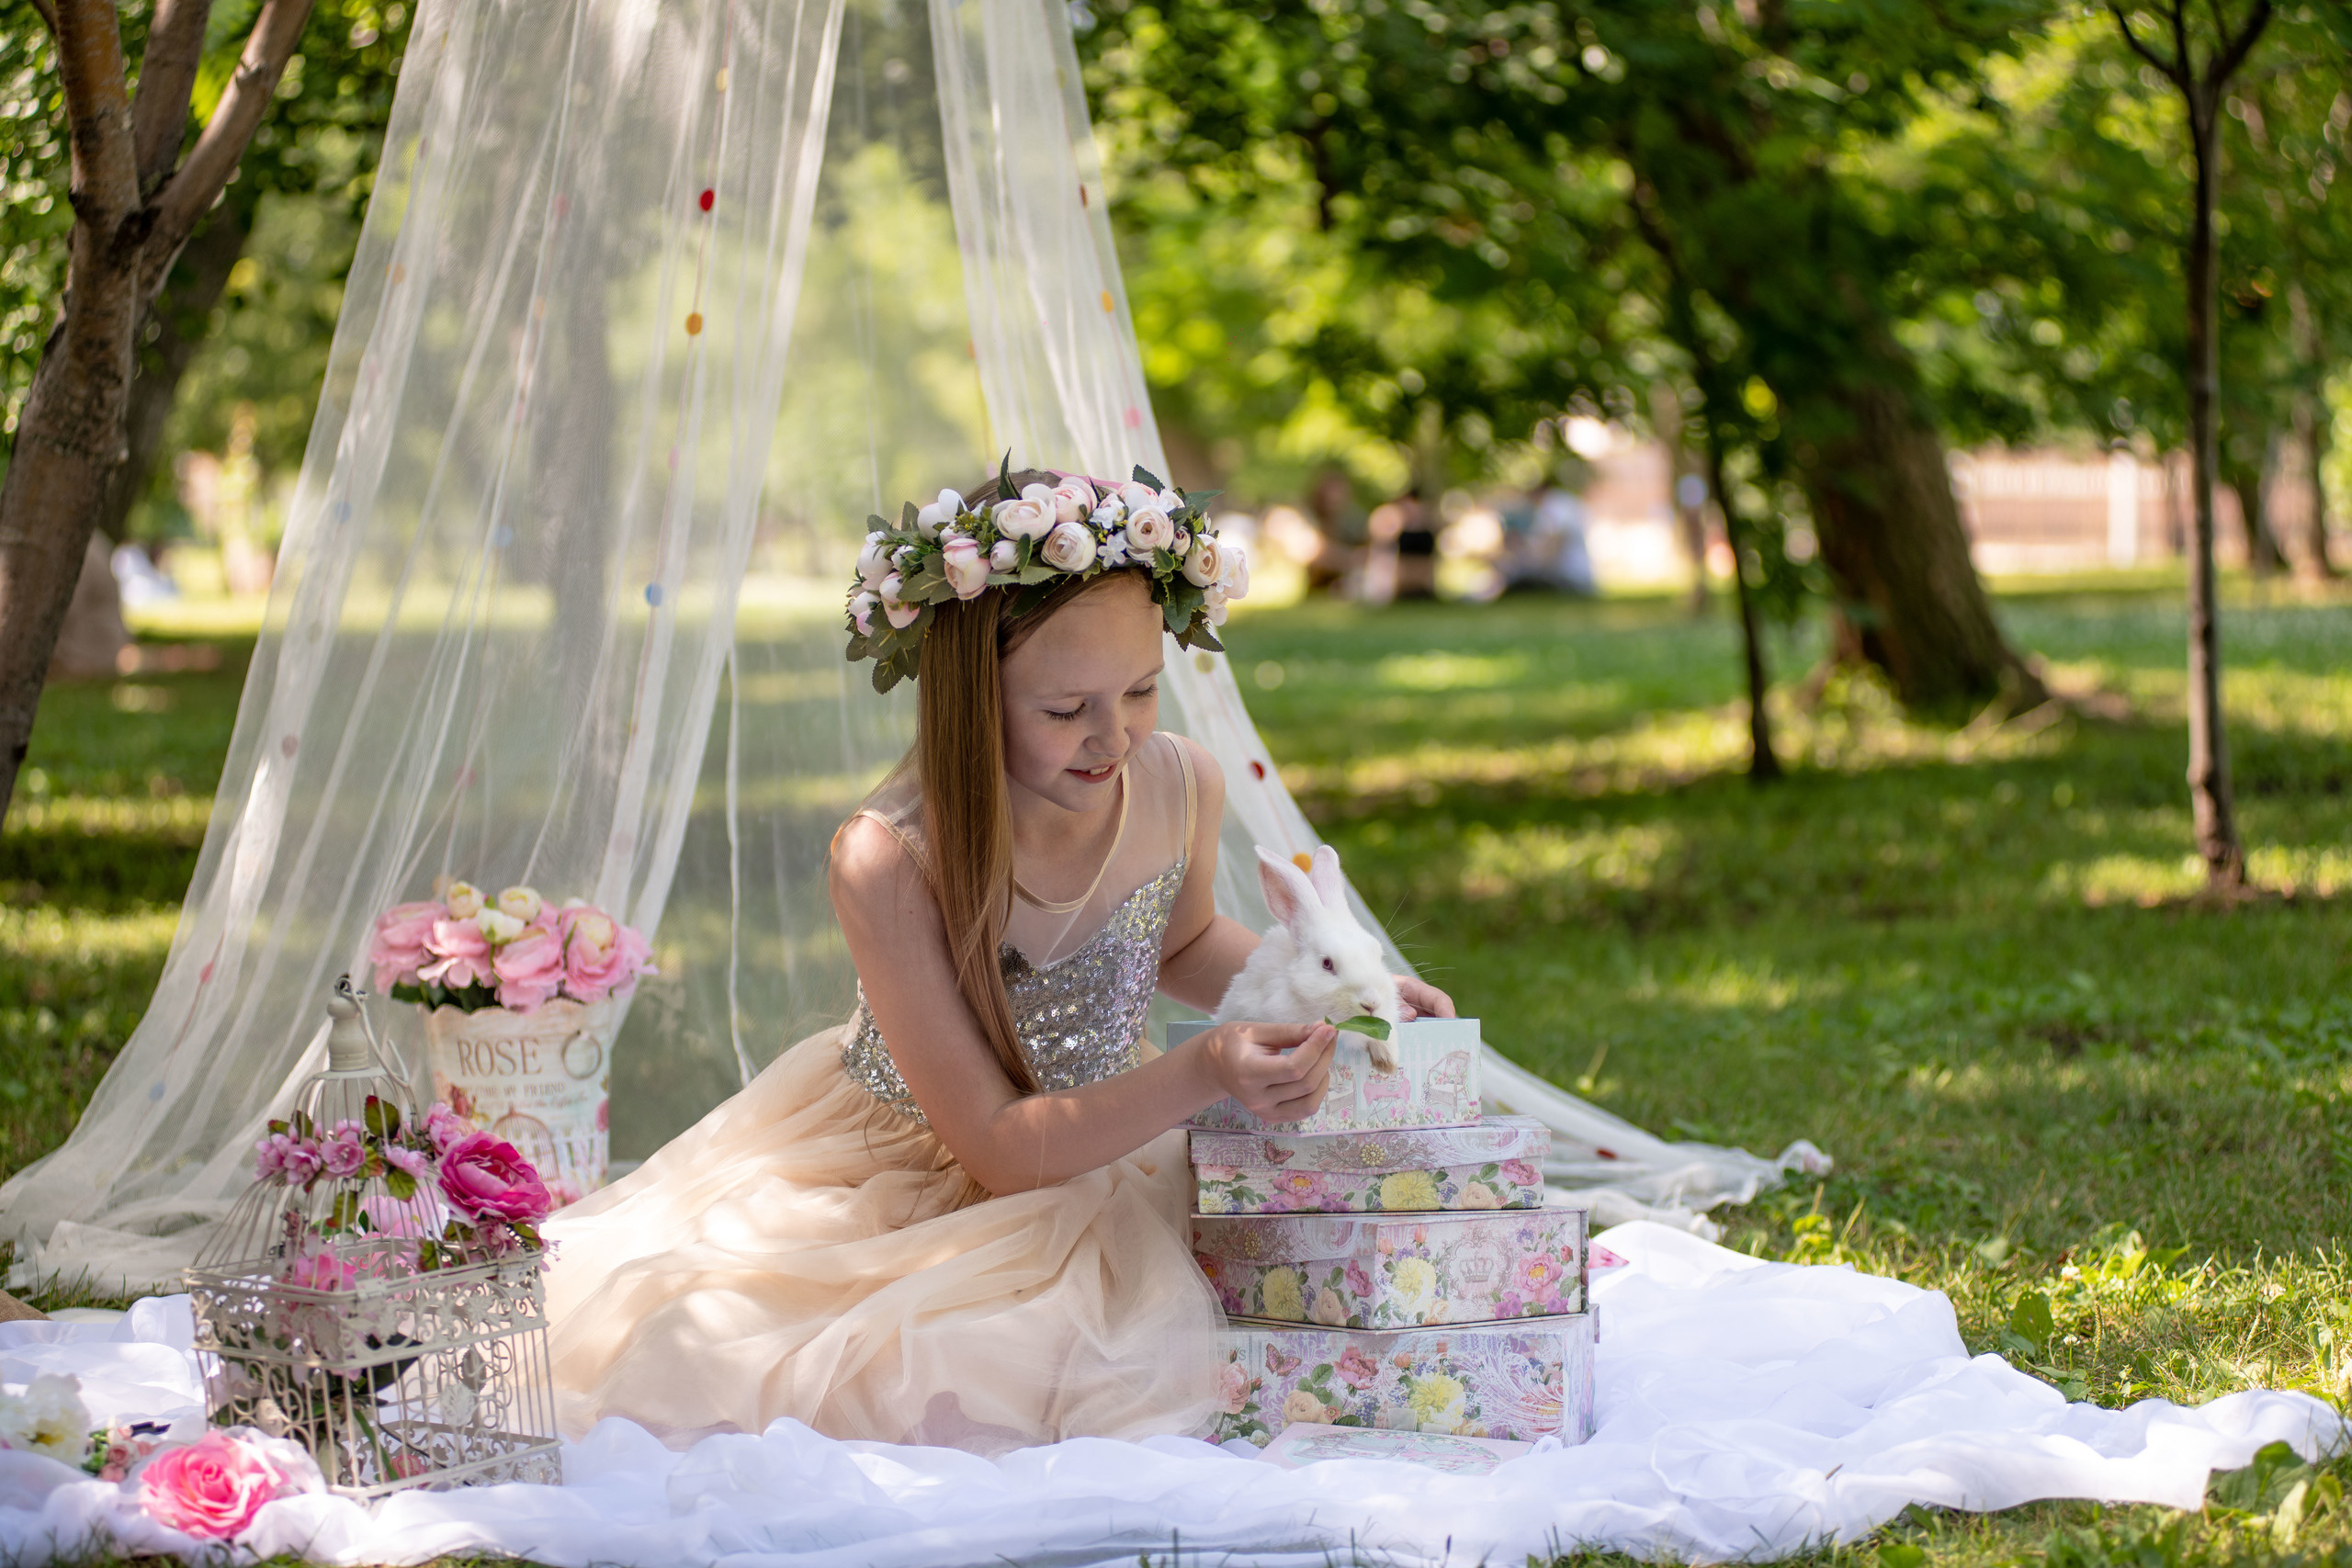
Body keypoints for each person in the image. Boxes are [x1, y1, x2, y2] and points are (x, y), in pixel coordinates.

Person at [544, 467, 1453, 1455]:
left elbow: (1184, 943)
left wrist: (1329, 995)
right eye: (1066, 710)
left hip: (1110, 1127)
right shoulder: (890, 855)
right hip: (934, 1166)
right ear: (973, 698)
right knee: (943, 1367)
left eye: (1142, 690)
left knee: (1295, 1301)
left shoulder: (1177, 783)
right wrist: (1200, 1070)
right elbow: (1000, 1149)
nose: (1114, 735)